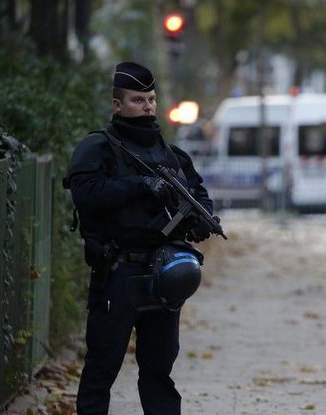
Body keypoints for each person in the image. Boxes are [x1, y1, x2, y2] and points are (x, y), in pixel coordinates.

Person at [65, 61, 216, 415]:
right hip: (118, 272)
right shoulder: (97, 148)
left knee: (159, 372)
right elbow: (86, 193)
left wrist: (200, 220)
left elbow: (199, 193)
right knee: (101, 370)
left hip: (165, 276)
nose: (147, 107)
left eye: (150, 99)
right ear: (117, 104)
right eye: (137, 100)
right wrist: (139, 186)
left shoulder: (171, 154)